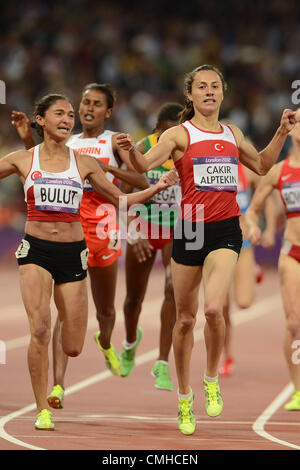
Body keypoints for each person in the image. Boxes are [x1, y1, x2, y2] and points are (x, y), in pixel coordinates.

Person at [116, 64, 296, 435]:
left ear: (223, 93)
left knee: (214, 309)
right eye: (202, 86)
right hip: (190, 230)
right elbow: (143, 165)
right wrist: (128, 152)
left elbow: (262, 165)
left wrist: (281, 131)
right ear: (191, 95)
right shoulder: (179, 135)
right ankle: (185, 398)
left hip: (226, 230)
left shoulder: (232, 133)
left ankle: (210, 378)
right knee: (185, 319)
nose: (209, 91)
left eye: (215, 86)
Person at [4, 93, 177, 430]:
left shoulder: (83, 162)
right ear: (41, 120)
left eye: (70, 114)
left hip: (73, 253)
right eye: (60, 113)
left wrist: (157, 189)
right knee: (39, 328)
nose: (69, 118)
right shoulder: (23, 159)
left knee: (73, 345)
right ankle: (42, 408)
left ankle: (88, 348)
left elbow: (121, 198)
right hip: (35, 250)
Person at [119, 102, 183, 390]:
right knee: (134, 299)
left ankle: (162, 363)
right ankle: (131, 341)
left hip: (175, 228)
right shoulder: (144, 148)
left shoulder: (187, 148)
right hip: (143, 224)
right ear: (158, 131)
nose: (171, 142)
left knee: (172, 288)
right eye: (167, 135)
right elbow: (120, 196)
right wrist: (133, 230)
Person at [246, 107, 300, 411]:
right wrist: (253, 225)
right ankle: (298, 389)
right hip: (292, 252)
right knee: (294, 324)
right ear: (291, 128)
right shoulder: (279, 171)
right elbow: (253, 209)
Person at [219, 161, 277, 376]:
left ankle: (252, 270)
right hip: (217, 244)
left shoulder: (246, 171)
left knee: (243, 303)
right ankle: (226, 356)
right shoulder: (209, 167)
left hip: (242, 244)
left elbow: (267, 198)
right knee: (219, 307)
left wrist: (269, 229)